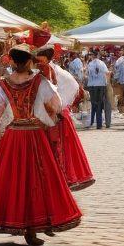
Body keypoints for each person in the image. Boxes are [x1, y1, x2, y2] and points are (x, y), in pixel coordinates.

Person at [0, 45, 83, 245]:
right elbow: (56, 104)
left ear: (12, 61)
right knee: (40, 179)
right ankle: (36, 225)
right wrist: (48, 115)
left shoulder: (4, 84)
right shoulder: (39, 81)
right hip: (35, 135)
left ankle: (22, 223)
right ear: (30, 61)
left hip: (13, 136)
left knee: (14, 180)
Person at [35, 37, 94, 191]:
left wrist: (57, 107)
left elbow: (52, 91)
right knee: (62, 148)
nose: (38, 61)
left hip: (55, 113)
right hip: (57, 112)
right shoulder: (52, 69)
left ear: (47, 58)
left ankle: (61, 178)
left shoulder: (48, 69)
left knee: (59, 148)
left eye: (40, 58)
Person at [85, 53, 110, 129]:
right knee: (100, 104)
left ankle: (92, 122)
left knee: (93, 104)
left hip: (92, 86)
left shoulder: (90, 64)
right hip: (101, 85)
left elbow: (86, 74)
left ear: (92, 56)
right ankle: (99, 124)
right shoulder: (102, 63)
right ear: (98, 56)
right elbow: (107, 73)